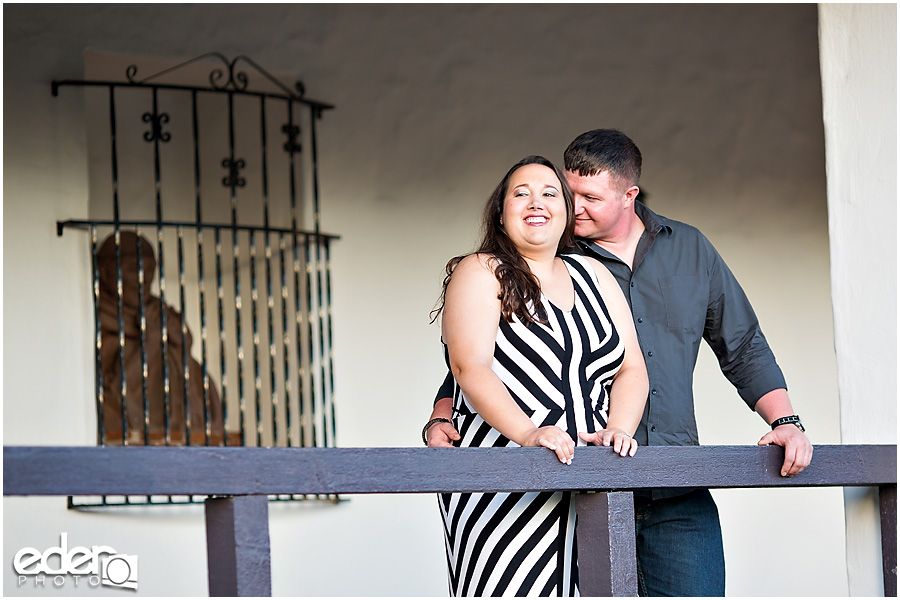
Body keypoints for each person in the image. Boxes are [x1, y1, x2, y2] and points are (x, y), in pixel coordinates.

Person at [425, 130, 814, 597]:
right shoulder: (542, 256)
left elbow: (743, 345)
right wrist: (443, 411)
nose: (570, 206)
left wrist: (786, 420)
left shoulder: (686, 250)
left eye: (586, 197)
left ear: (629, 195)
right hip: (579, 482)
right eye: (567, 193)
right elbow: (478, 360)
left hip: (670, 480)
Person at [433, 155, 648, 596]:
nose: (537, 202)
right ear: (501, 210)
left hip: (589, 483)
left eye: (550, 194)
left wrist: (618, 431)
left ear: (567, 212)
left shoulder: (595, 275)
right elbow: (468, 368)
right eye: (521, 193)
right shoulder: (481, 271)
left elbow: (631, 368)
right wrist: (531, 435)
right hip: (504, 490)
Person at [98, 231, 225, 445]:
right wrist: (153, 337)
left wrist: (174, 335)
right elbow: (113, 390)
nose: (143, 277)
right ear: (105, 272)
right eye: (132, 269)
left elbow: (185, 342)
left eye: (149, 269)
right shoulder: (99, 320)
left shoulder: (158, 311)